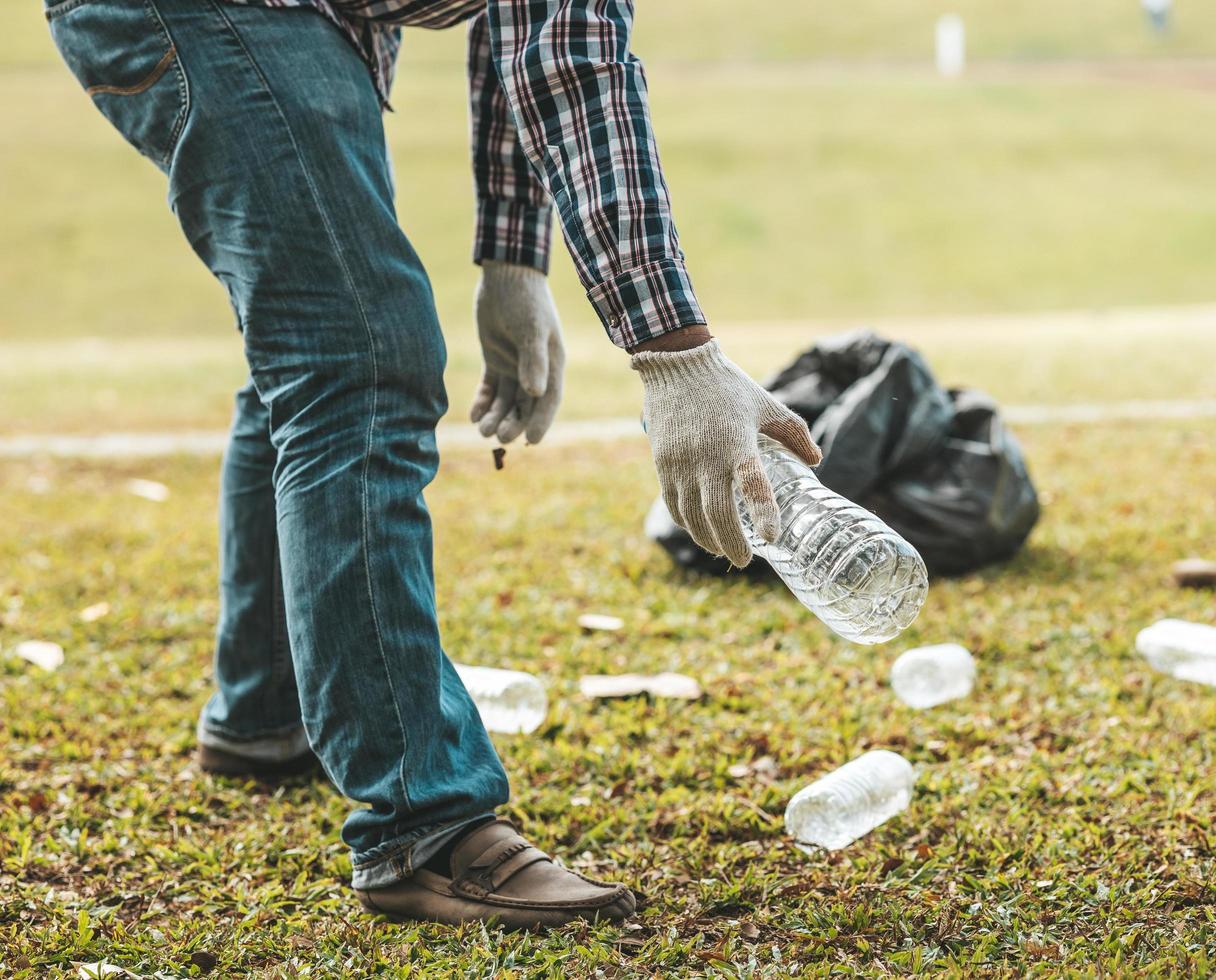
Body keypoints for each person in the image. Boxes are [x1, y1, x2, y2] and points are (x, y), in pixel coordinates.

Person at [44, 0, 821, 930]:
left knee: (317, 339)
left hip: (305, 19)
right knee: (356, 356)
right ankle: (423, 822)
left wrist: (514, 260)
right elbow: (569, 55)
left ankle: (263, 713)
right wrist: (675, 352)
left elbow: (520, 25)